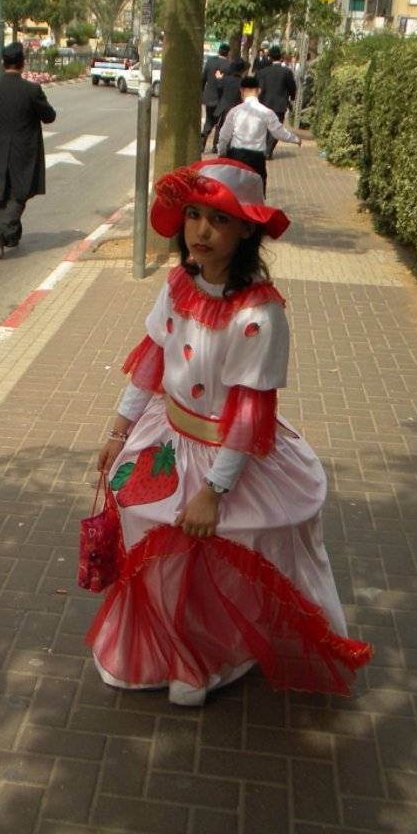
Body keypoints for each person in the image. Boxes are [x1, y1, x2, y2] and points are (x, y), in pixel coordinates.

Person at [85, 159, 373, 706]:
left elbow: (248, 411)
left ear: (247, 229)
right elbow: (152, 358)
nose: (200, 231)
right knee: (151, 528)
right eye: (192, 215)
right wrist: (119, 432)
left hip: (229, 456)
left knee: (221, 543)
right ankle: (175, 651)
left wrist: (213, 492)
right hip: (167, 440)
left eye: (218, 219)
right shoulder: (177, 284)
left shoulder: (259, 314)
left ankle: (213, 651)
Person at [0, 41, 57, 259]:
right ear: (23, 63)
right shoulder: (31, 90)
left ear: (2, 63)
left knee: (3, 192)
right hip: (23, 152)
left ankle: (12, 236)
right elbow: (50, 116)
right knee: (19, 195)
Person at [215, 75, 301, 193]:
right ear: (259, 91)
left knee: (234, 192)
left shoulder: (234, 111)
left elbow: (224, 135)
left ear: (241, 91)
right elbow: (278, 132)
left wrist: (222, 152)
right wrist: (295, 139)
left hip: (236, 155)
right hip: (256, 158)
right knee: (257, 192)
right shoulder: (266, 112)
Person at [256, 44, 297, 159]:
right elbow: (292, 87)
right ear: (281, 57)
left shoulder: (263, 72)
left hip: (264, 103)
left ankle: (262, 149)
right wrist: (292, 97)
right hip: (280, 103)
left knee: (264, 127)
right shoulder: (286, 72)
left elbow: (260, 88)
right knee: (276, 127)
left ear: (269, 58)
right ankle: (268, 151)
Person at [205, 57, 248, 154]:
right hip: (238, 107)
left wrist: (219, 78)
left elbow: (219, 87)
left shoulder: (226, 79)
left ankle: (216, 146)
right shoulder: (244, 82)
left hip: (224, 107)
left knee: (220, 126)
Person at [199, 42, 230, 152]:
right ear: (228, 53)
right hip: (221, 99)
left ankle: (202, 142)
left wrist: (201, 91)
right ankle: (214, 145)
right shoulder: (228, 66)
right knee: (220, 123)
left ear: (219, 51)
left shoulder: (210, 62)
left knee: (209, 120)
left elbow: (203, 78)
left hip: (209, 96)